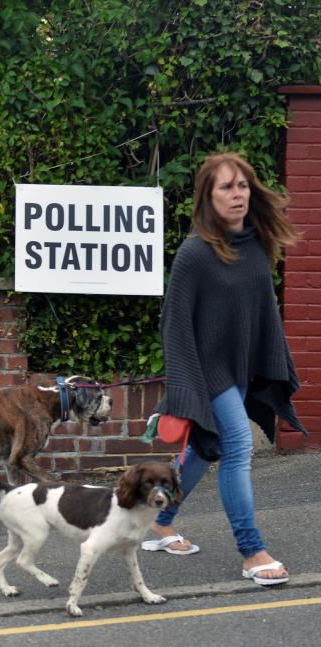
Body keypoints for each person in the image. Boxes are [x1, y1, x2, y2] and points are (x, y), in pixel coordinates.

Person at [146, 152, 306, 587]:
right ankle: (252, 551)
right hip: (204, 371)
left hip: (237, 369)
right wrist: (185, 386)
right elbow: (174, 327)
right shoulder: (194, 254)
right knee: (237, 444)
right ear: (207, 196)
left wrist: (271, 363)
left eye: (242, 186)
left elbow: (261, 312)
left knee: (204, 447)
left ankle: (161, 521)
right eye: (225, 187)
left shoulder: (256, 245)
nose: (237, 195)